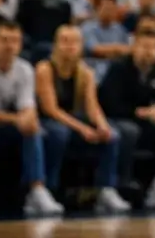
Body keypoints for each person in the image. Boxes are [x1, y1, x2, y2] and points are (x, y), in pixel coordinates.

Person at [0, 21, 65, 216]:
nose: (10, 46)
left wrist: (28, 119)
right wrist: (16, 119)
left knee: (40, 129)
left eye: (15, 41)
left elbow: (28, 108)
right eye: (4, 40)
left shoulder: (25, 68)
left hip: (4, 124)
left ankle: (37, 190)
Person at [35, 25, 132, 214]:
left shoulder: (85, 72)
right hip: (48, 121)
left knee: (112, 135)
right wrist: (82, 129)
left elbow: (92, 106)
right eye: (65, 41)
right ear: (55, 45)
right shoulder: (44, 69)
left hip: (73, 121)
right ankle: (50, 189)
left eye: (74, 41)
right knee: (59, 133)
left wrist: (102, 125)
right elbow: (51, 109)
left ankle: (106, 188)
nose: (70, 46)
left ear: (81, 45)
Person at [99, 21, 155, 208]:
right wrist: (144, 112)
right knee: (129, 130)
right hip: (116, 119)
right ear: (134, 47)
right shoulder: (119, 68)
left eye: (153, 48)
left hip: (143, 121)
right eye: (144, 47)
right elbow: (111, 105)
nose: (148, 52)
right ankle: (119, 187)